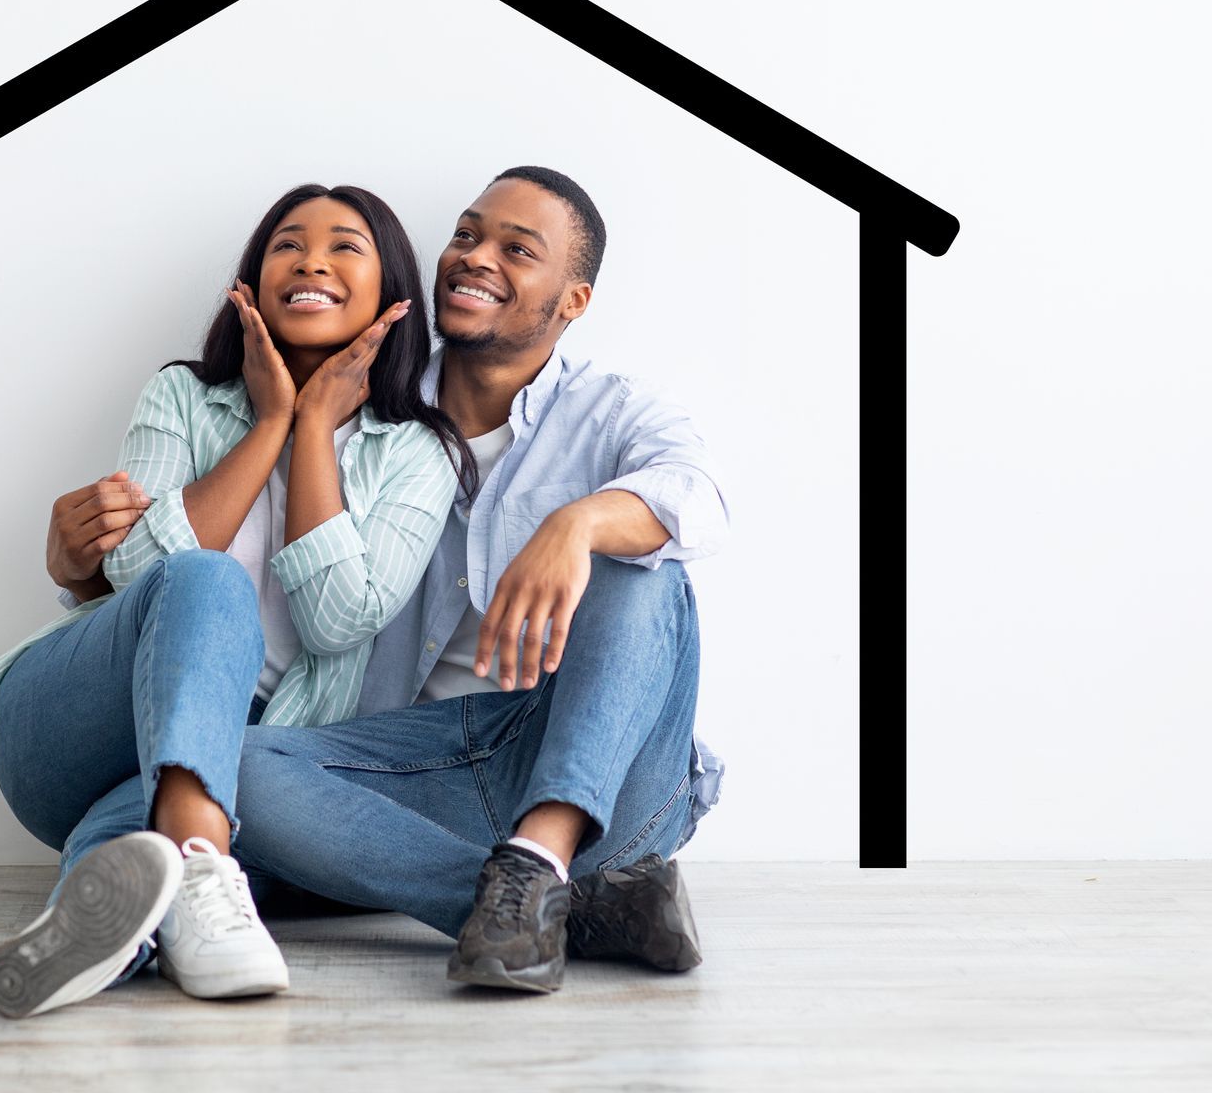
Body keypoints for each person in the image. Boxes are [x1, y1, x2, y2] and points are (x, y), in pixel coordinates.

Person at [50, 166, 729, 995]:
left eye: (518, 249)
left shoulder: (611, 410)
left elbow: (698, 497)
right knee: (230, 762)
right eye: (468, 234)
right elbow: (244, 579)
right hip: (405, 777)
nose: (478, 258)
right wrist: (86, 580)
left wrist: (577, 524)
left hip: (587, 771)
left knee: (643, 571)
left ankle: (541, 858)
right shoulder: (373, 399)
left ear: (574, 300)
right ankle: (562, 911)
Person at [0, 183, 476, 1019]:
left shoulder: (421, 451)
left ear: (390, 297)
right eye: (288, 245)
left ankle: (121, 929)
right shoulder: (182, 397)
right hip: (70, 724)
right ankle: (202, 863)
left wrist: (314, 434)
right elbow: (131, 575)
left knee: (140, 826)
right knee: (207, 576)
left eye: (345, 247)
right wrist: (270, 425)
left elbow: (341, 619)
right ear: (253, 283)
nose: (311, 261)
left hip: (234, 759)